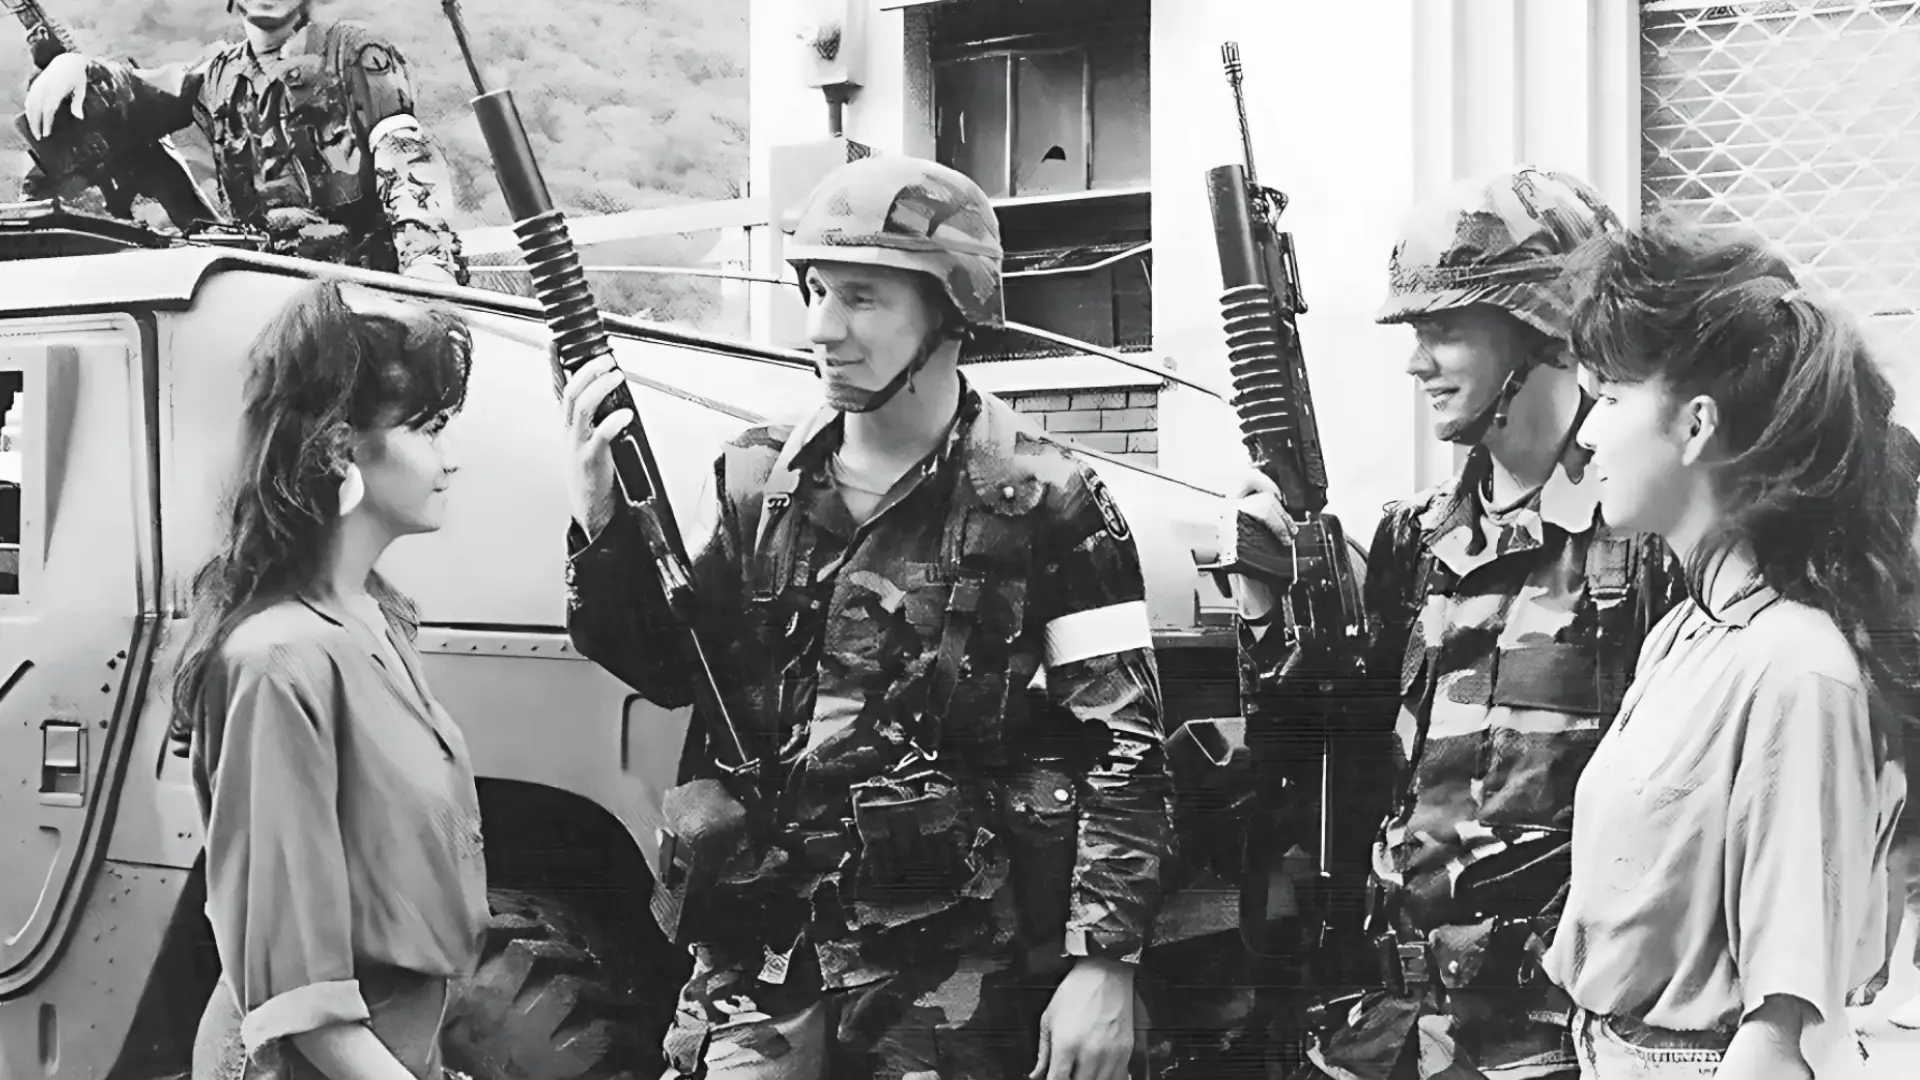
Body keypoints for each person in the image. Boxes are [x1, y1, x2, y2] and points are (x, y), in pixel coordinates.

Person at [561, 153, 1172, 1080]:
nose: (822, 328)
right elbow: (669, 670)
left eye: (860, 297)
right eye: (815, 292)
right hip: (759, 958)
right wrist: (602, 523)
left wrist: (1106, 961)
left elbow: (1124, 742)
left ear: (952, 307)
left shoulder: (1047, 498)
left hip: (946, 977)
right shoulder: (756, 477)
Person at [1220, 166, 1686, 1080]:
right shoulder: (1414, 538)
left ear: (1543, 327)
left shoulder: (1644, 538)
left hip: (1564, 1042)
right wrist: (1271, 607)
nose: (1416, 362)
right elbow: (1335, 768)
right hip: (1393, 1025)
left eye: (1444, 330)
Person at [1543, 215, 1918, 1079]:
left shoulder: (1796, 669)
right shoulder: (1684, 631)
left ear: (1696, 425)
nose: (1587, 434)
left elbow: (1781, 1038)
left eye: (1611, 397)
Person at [172, 277, 485, 1080]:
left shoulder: (379, 618)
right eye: (427, 428)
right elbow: (299, 995)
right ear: (343, 449)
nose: (451, 457)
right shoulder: (277, 661)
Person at [22, 0, 468, 284]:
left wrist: (427, 267)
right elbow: (139, 95)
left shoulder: (352, 53)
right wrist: (76, 67)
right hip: (266, 289)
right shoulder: (217, 77)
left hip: (370, 285)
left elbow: (403, 150)